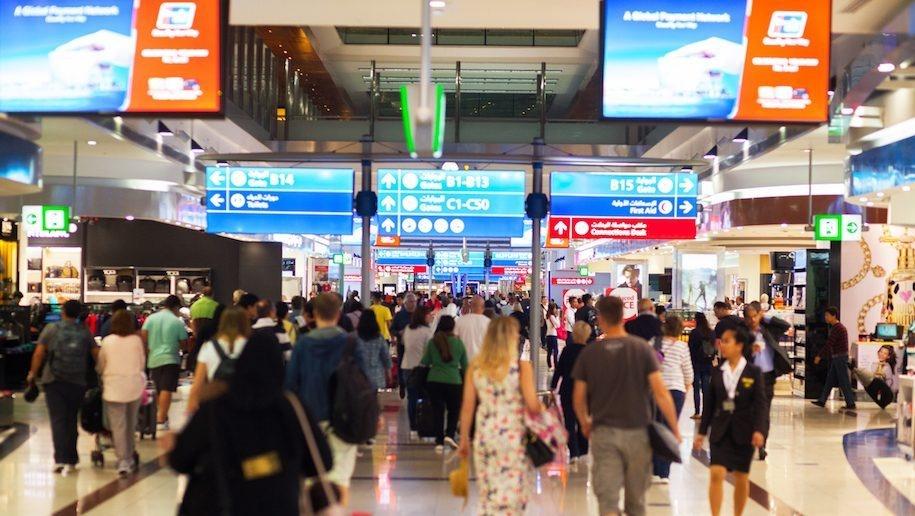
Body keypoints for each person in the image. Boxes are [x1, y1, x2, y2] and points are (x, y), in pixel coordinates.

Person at [166, 333, 334, 516]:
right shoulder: (293, 408)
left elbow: (180, 460)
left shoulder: (215, 408)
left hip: (223, 505)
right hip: (280, 506)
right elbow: (323, 461)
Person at [572, 296, 681, 516]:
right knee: (637, 503)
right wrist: (674, 428)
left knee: (608, 502)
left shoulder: (590, 352)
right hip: (638, 433)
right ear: (623, 317)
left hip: (604, 433)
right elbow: (661, 392)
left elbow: (578, 396)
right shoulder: (641, 349)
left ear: (600, 319)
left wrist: (584, 422)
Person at [457, 317, 543, 515]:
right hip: (514, 437)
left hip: (486, 436)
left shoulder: (476, 367)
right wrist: (543, 410)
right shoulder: (522, 367)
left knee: (489, 492)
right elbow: (532, 405)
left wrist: (463, 439)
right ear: (510, 337)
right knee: (514, 492)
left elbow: (468, 407)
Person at [286, 293, 367, 505]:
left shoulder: (303, 345)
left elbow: (290, 385)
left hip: (310, 420)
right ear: (338, 313)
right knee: (340, 479)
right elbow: (365, 382)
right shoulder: (351, 343)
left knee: (312, 477)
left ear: (314, 314)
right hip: (344, 418)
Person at [693, 323, 767, 516]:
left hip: (744, 432)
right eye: (721, 342)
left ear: (739, 345)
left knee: (741, 477)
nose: (722, 345)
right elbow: (709, 406)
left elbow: (760, 405)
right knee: (716, 473)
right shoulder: (717, 372)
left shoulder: (753, 372)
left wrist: (760, 430)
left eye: (726, 341)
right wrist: (701, 433)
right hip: (720, 431)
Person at [27, 299, 99, 474]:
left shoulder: (52, 329)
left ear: (63, 312)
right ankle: (72, 459)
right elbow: (96, 355)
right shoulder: (84, 331)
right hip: (77, 381)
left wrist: (32, 374)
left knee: (58, 420)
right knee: (71, 419)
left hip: (54, 380)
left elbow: (38, 353)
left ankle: (60, 459)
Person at [97, 309, 145, 476]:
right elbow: (141, 364)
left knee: (118, 426)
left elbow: (101, 364)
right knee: (131, 424)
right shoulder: (136, 341)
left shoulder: (108, 341)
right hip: (134, 386)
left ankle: (123, 460)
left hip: (114, 387)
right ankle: (130, 455)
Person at [743, 301, 791, 460]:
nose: (752, 320)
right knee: (749, 411)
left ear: (759, 315)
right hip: (748, 377)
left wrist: (767, 318)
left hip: (768, 376)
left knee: (764, 413)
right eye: (748, 318)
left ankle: (762, 444)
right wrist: (750, 349)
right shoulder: (741, 332)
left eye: (755, 316)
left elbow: (785, 325)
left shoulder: (768, 330)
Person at [652, 316, 693, 483]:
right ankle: (664, 472)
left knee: (655, 427)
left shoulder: (654, 342)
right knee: (669, 429)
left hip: (655, 390)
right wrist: (685, 388)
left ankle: (654, 469)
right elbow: (688, 372)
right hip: (676, 391)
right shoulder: (682, 346)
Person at [187, 307, 251, 414]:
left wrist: (191, 407)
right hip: (244, 403)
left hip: (216, 404)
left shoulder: (209, 346)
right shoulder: (251, 345)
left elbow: (198, 382)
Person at [141, 295, 188, 431]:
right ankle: (161, 419)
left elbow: (143, 336)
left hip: (154, 359)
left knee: (159, 389)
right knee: (167, 388)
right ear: (176, 307)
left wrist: (148, 350)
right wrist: (180, 348)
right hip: (171, 359)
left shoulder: (151, 319)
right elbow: (184, 344)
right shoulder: (176, 322)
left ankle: (162, 416)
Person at [421, 315, 467, 452]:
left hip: (434, 380)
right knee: (454, 410)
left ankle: (439, 441)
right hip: (454, 381)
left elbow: (425, 362)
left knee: (437, 411)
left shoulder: (433, 342)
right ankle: (450, 434)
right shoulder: (459, 343)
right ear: (453, 327)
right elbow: (465, 365)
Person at [551, 321, 591, 463]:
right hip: (585, 392)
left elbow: (559, 370)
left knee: (569, 421)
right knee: (582, 421)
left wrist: (553, 385)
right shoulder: (589, 351)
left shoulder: (567, 350)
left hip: (567, 390)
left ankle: (573, 452)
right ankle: (583, 450)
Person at [812, 307, 857, 410]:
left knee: (844, 380)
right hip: (838, 357)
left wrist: (819, 356)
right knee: (830, 380)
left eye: (827, 315)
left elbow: (829, 344)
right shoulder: (837, 327)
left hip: (840, 357)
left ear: (834, 316)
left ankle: (850, 403)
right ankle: (822, 400)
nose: (826, 318)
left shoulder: (837, 328)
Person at [401, 306, 434, 437]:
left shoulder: (407, 329)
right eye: (429, 314)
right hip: (422, 367)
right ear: (423, 316)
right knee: (425, 397)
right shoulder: (427, 332)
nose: (431, 316)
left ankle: (413, 427)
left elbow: (404, 344)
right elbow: (430, 349)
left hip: (407, 366)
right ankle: (424, 423)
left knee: (412, 397)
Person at [851, 344, 898, 409]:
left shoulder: (887, 367)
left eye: (885, 353)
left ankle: (854, 369)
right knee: (863, 376)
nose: (881, 354)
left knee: (863, 374)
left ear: (888, 356)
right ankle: (854, 370)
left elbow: (888, 382)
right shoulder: (874, 364)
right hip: (873, 386)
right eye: (881, 352)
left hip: (882, 389)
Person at [356, 310, 392, 392]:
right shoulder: (379, 337)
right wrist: (389, 373)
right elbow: (386, 357)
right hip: (376, 376)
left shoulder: (355, 337)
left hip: (358, 375)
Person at [689, 312, 717, 419]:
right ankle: (706, 412)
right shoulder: (711, 332)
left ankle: (697, 412)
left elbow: (691, 349)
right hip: (708, 363)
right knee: (706, 389)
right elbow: (714, 347)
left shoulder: (694, 333)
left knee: (696, 388)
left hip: (696, 363)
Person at [454, 295, 491, 361]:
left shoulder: (460, 320)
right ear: (483, 307)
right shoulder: (488, 322)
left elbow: (455, 341)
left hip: (463, 361)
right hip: (481, 361)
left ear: (471, 306)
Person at [544, 302, 561, 369]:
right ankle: (556, 365)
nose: (555, 309)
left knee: (549, 351)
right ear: (552, 308)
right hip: (553, 335)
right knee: (556, 350)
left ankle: (549, 365)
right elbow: (558, 325)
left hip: (548, 335)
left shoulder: (547, 316)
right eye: (555, 308)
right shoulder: (552, 316)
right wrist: (558, 317)